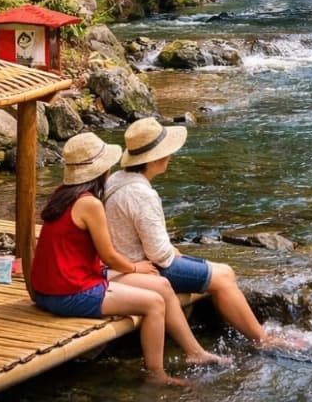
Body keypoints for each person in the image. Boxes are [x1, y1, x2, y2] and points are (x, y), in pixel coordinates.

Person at [30, 132, 225, 387]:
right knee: (154, 304)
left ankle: (195, 353)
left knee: (163, 286)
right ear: (102, 170)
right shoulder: (89, 204)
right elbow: (108, 255)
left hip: (49, 287)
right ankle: (157, 375)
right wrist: (136, 267)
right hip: (68, 292)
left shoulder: (63, 194)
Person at [105, 118, 297, 350]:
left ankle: (251, 332)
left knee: (223, 272)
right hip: (144, 265)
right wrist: (173, 250)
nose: (171, 156)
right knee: (224, 277)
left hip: (123, 261)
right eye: (167, 153)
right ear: (156, 159)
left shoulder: (116, 180)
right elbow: (161, 256)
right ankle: (262, 339)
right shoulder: (141, 194)